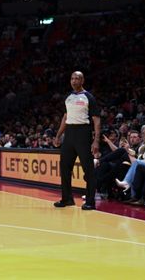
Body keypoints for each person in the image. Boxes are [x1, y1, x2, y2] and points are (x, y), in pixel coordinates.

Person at [53, 71, 101, 210]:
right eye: (72, 78)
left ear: (82, 80)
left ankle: (90, 201)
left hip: (83, 133)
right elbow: (65, 117)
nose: (74, 81)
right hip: (69, 134)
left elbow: (96, 120)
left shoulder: (88, 97)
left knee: (88, 169)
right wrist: (58, 135)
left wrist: (96, 140)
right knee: (65, 168)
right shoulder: (68, 97)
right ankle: (67, 199)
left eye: (77, 78)